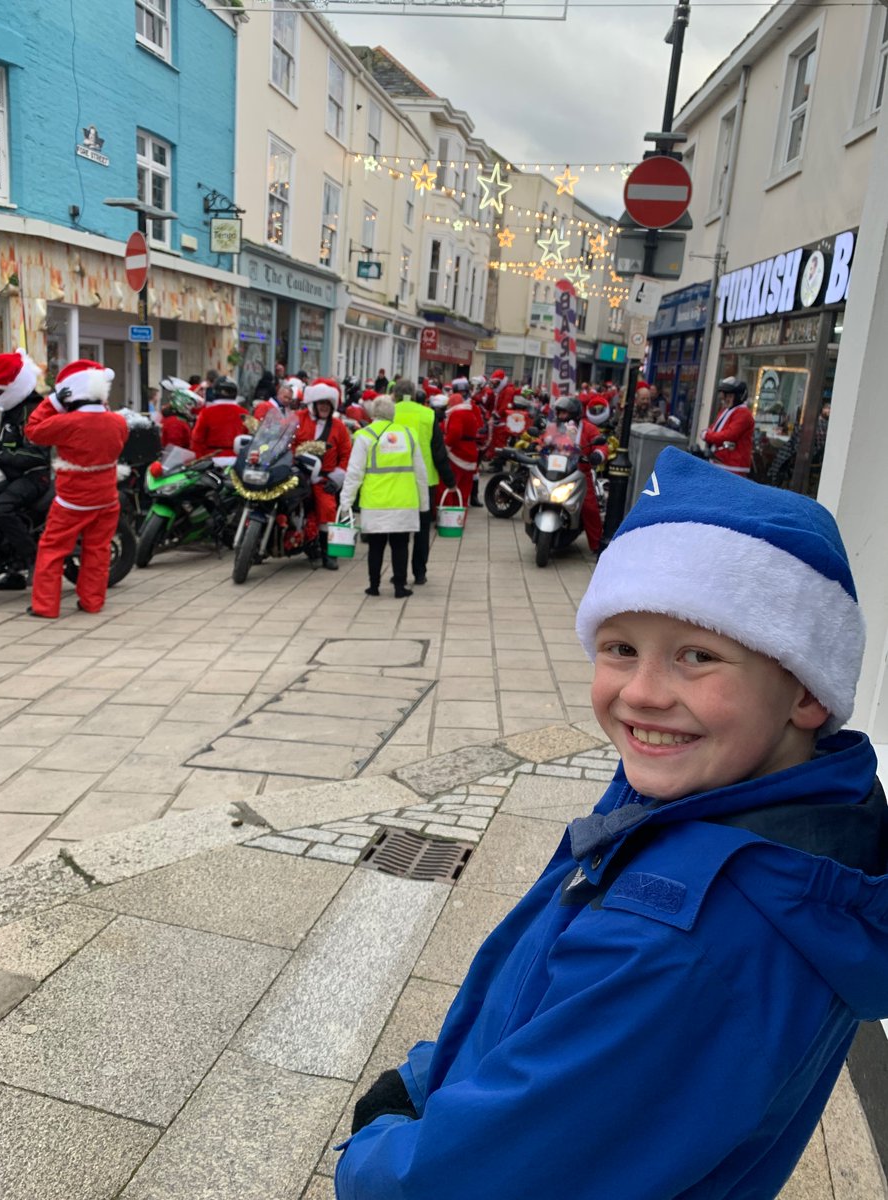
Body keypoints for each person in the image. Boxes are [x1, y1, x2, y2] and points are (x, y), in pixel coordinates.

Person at [336, 446, 888, 1200]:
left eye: (697, 655)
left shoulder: (678, 943)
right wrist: (430, 1073)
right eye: (620, 649)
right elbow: (542, 994)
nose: (643, 693)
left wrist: (373, 1151)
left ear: (806, 692)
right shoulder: (712, 800)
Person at [25, 358, 130, 618]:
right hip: (107, 497)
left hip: (73, 499)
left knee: (52, 549)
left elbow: (33, 430)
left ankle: (45, 606)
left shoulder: (68, 423)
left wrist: (53, 402)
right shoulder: (118, 422)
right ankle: (92, 602)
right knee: (98, 550)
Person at [339, 395, 428, 598]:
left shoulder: (364, 435)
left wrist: (346, 502)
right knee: (400, 545)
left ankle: (374, 586)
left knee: (376, 546)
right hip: (404, 501)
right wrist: (424, 505)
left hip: (375, 501)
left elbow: (354, 473)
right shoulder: (408, 434)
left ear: (373, 413)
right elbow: (421, 473)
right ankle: (399, 587)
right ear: (393, 413)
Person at [0, 350, 51, 590]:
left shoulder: (34, 411)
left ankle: (33, 559)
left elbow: (37, 452)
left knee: (1, 510)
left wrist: (2, 454)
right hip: (10, 473)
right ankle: (11, 570)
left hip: (34, 475)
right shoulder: (11, 406)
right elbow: (5, 442)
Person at [392, 378, 456, 586]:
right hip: (425, 481)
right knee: (421, 530)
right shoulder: (428, 415)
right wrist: (449, 480)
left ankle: (398, 572)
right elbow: (439, 453)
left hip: (396, 478)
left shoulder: (390, 413)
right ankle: (419, 572)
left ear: (395, 394)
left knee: (399, 530)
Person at [293, 377, 352, 571]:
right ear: (313, 404)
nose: (324, 407)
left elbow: (346, 455)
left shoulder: (338, 427)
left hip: (323, 478)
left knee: (327, 508)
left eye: (328, 403)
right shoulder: (298, 419)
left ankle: (328, 553)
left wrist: (337, 478)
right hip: (295, 474)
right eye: (321, 403)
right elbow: (284, 440)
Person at [544, 396, 606, 553]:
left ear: (575, 414)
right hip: (553, 471)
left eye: (564, 413)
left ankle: (598, 545)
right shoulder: (553, 427)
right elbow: (542, 441)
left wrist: (598, 454)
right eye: (558, 412)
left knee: (590, 508)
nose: (560, 416)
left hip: (579, 473)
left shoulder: (589, 428)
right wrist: (537, 445)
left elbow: (602, 445)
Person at [439, 379, 483, 510]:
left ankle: (449, 518)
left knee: (450, 487)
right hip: (471, 453)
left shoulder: (457, 413)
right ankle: (460, 519)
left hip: (457, 455)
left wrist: (445, 448)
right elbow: (479, 427)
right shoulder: (471, 410)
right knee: (464, 492)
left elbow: (455, 434)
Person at [702, 377, 754, 473]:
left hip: (733, 465)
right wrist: (707, 433)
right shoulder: (727, 410)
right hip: (720, 461)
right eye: (726, 396)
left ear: (738, 397)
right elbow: (714, 428)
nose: (725, 399)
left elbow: (729, 435)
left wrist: (706, 435)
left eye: (730, 396)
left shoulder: (743, 413)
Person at [190, 375, 246, 459]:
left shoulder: (206, 412)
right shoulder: (244, 413)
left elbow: (197, 439)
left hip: (211, 458)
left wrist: (198, 459)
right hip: (236, 458)